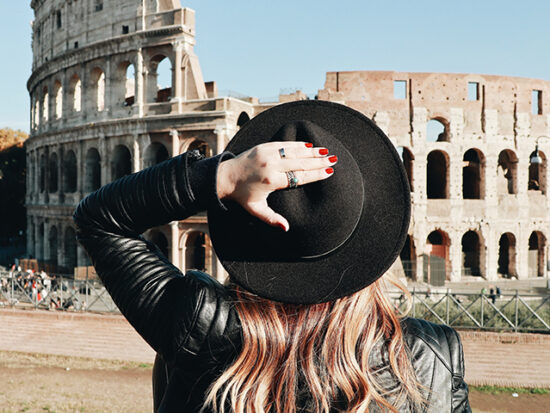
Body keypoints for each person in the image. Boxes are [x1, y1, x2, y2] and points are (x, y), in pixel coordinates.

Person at [74, 101, 470, 412]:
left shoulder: (201, 329)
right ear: (371, 234)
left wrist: (223, 176)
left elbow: (99, 219)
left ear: (248, 225)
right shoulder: (432, 356)